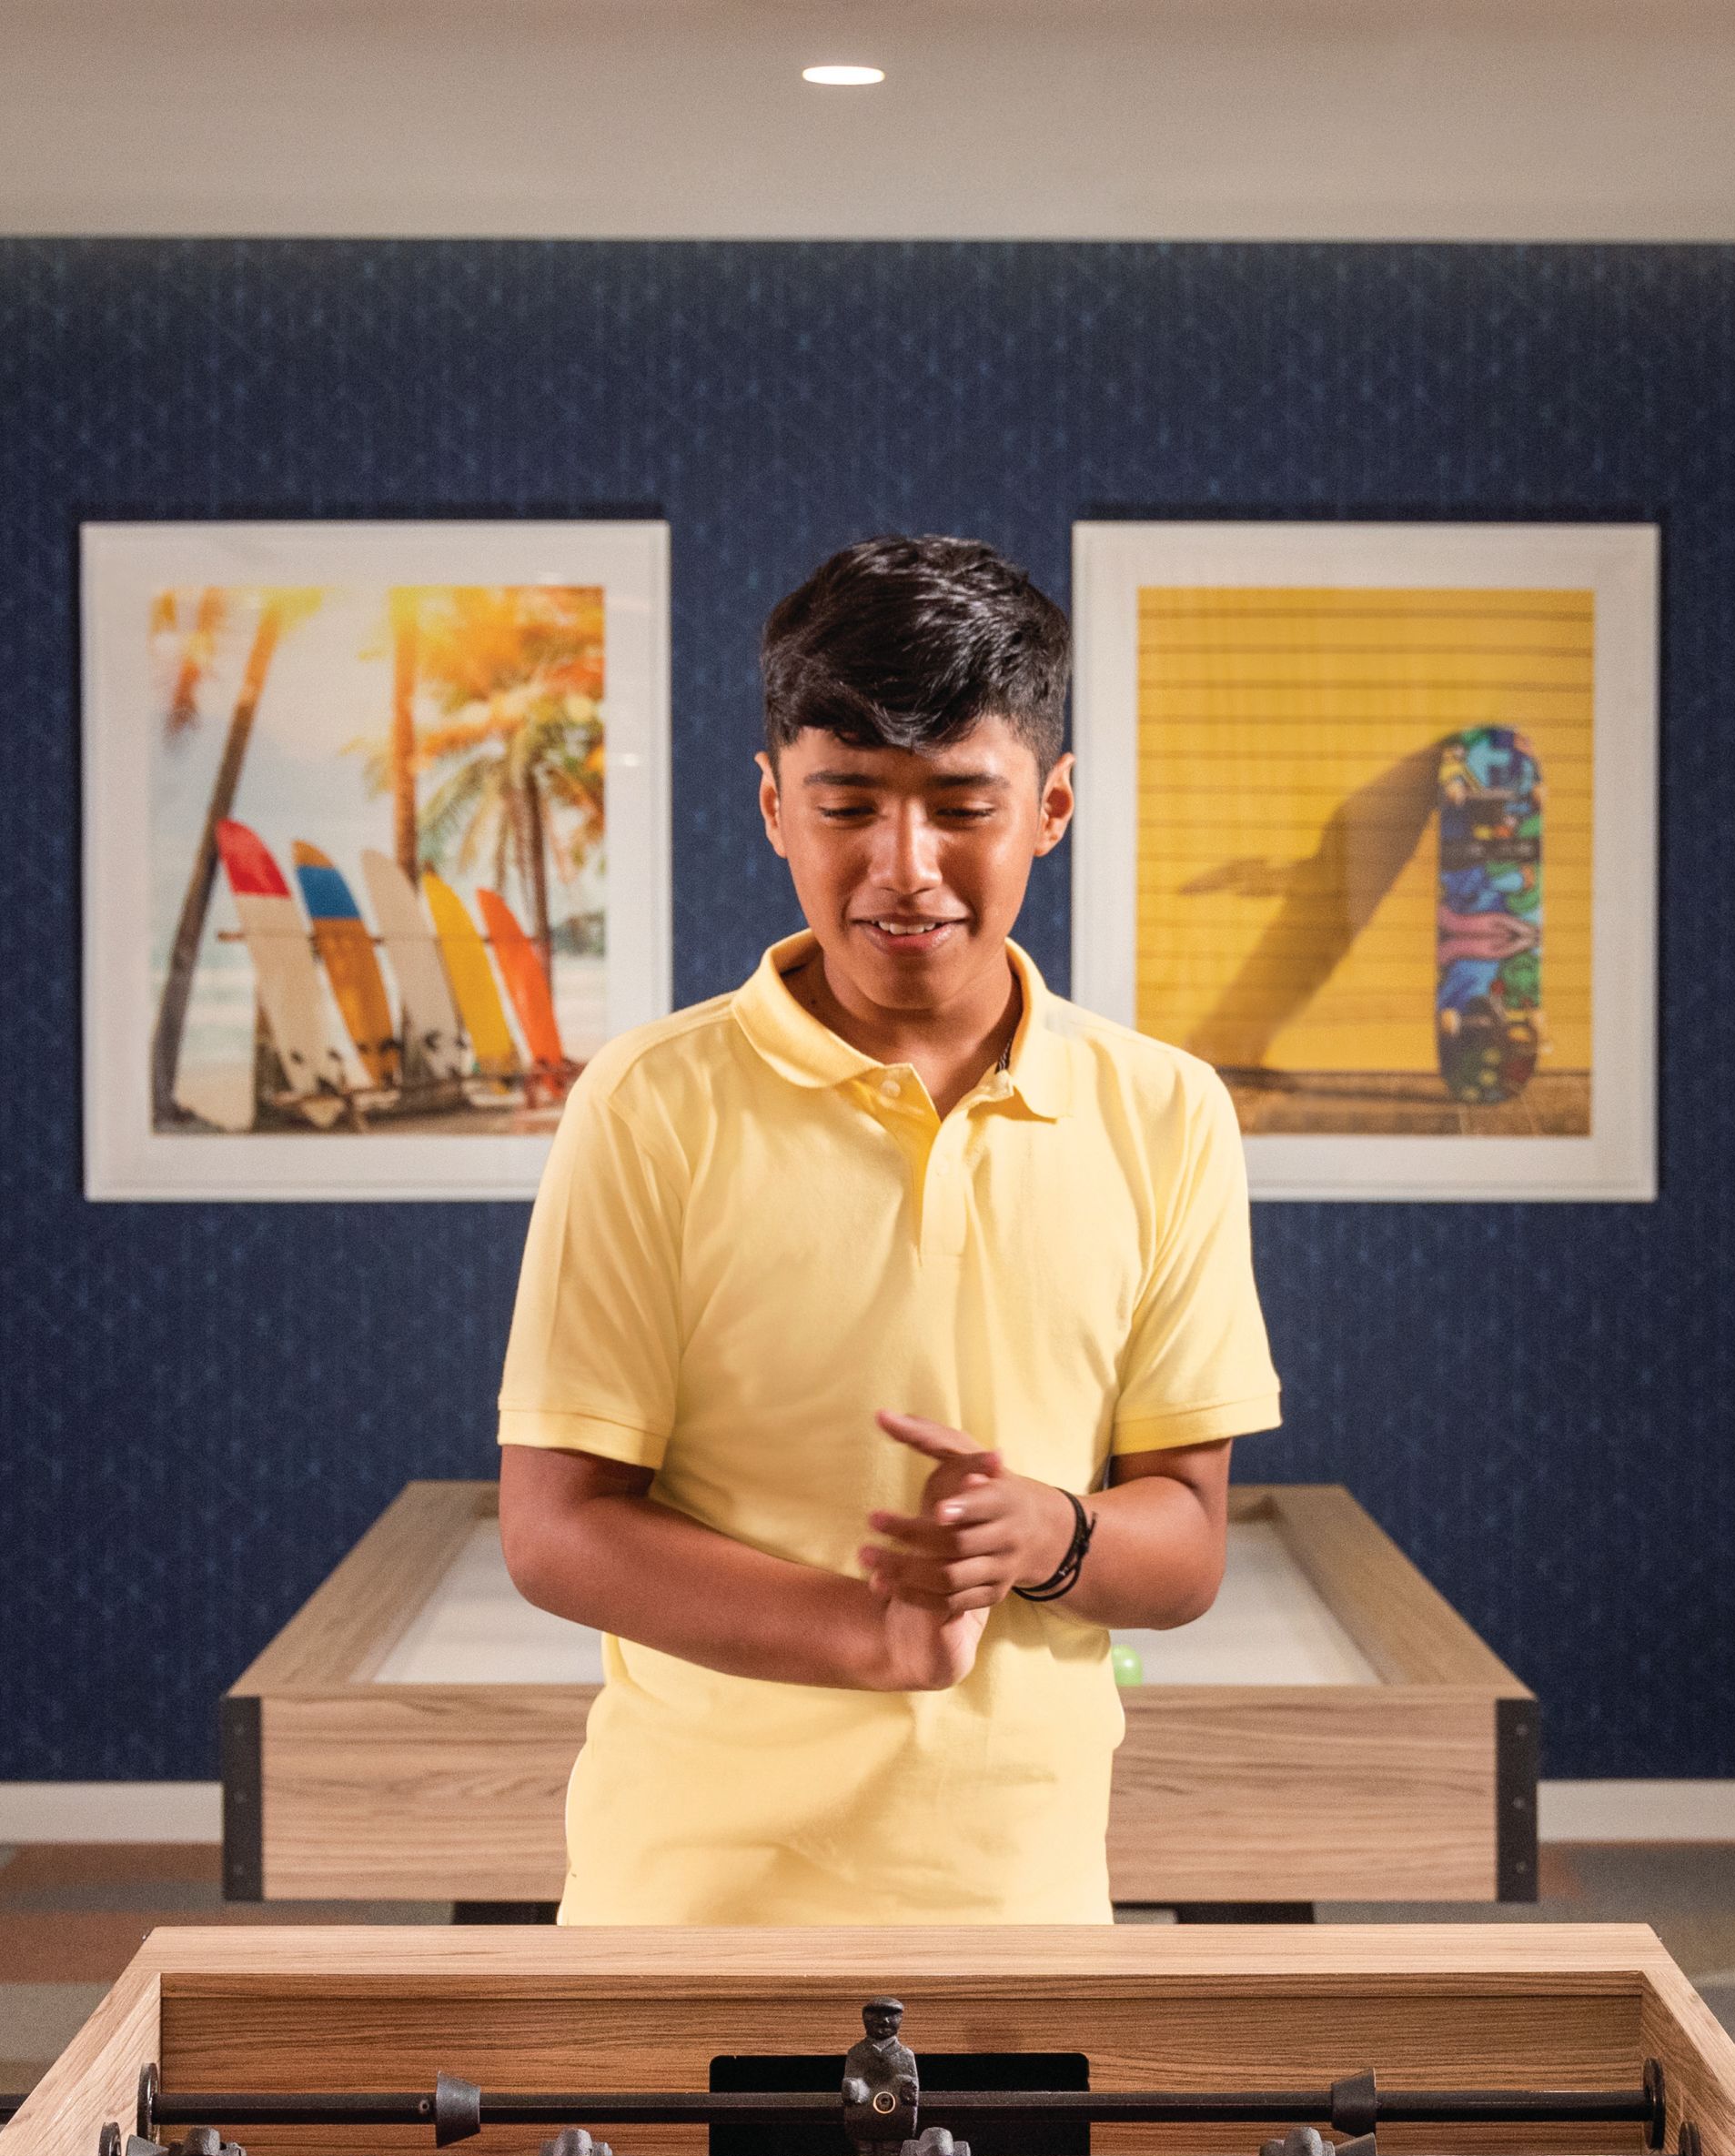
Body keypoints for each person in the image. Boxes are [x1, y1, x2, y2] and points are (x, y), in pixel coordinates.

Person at [494, 532, 1280, 1923]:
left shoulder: (1168, 1113)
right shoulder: (647, 1104)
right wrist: (876, 1639)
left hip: (1025, 1915)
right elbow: (557, 1531)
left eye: (960, 804)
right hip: (684, 1913)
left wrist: (1048, 1532)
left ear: (1052, 806)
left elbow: (1189, 1545)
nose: (905, 867)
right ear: (774, 808)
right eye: (848, 801)